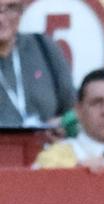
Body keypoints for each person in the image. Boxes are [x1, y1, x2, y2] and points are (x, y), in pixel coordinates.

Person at [0, 0, 73, 129]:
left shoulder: (43, 47)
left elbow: (74, 110)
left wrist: (60, 124)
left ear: (22, 11)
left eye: (11, 8)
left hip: (43, 147)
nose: (1, 18)